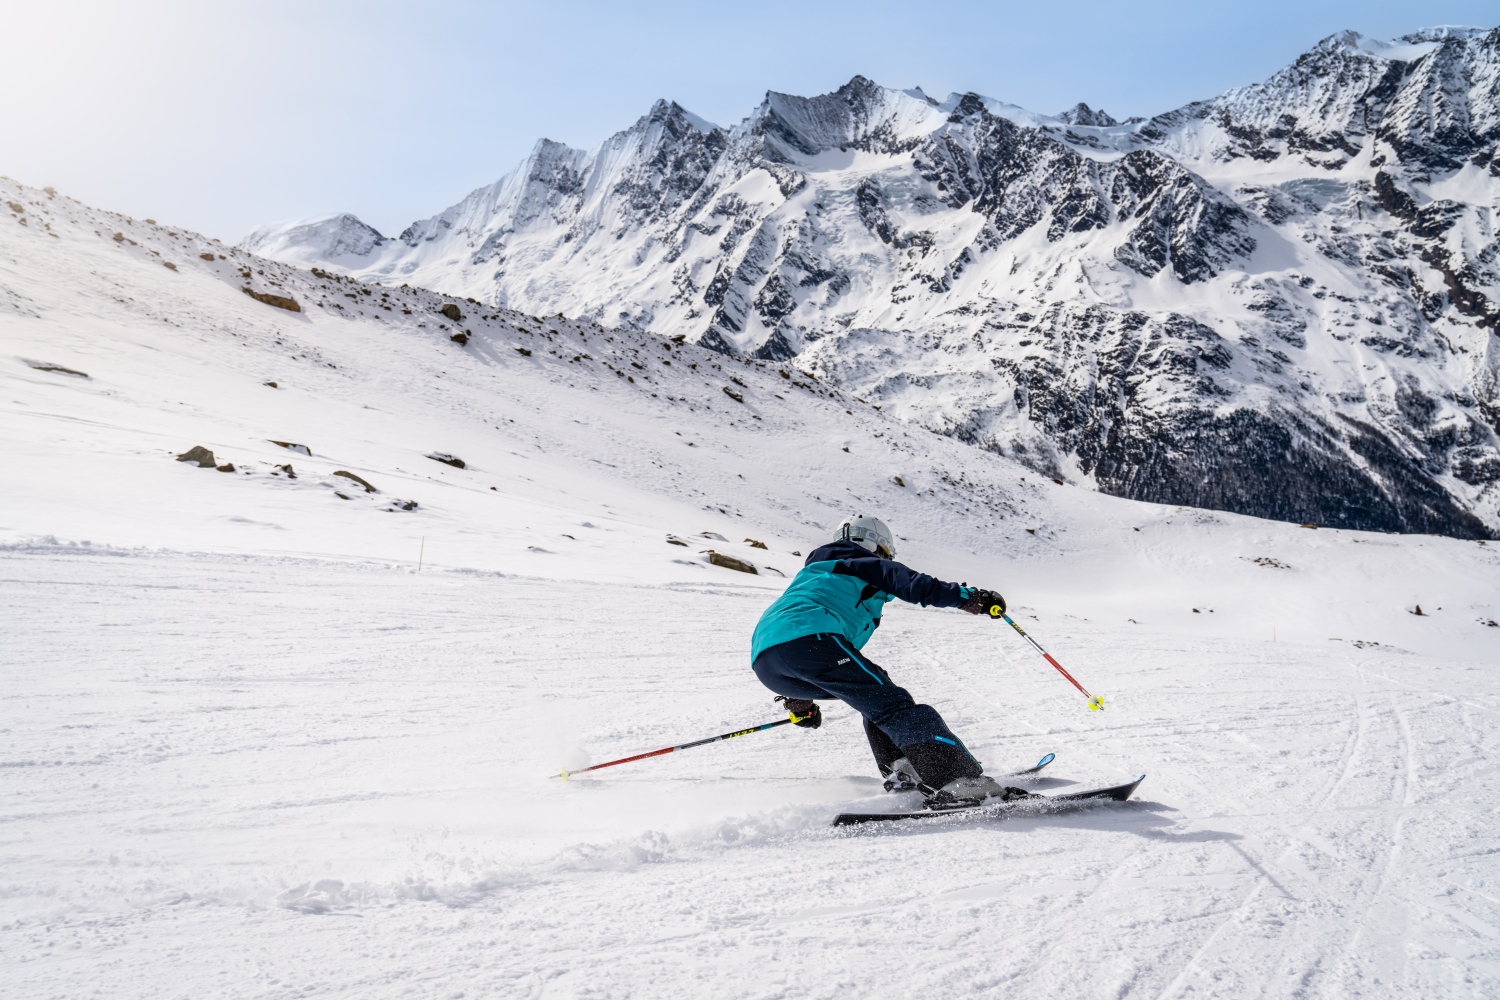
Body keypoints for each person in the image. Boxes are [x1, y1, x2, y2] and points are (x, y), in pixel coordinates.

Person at [750, 514, 1009, 804]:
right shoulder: (861, 562)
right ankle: (960, 780)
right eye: (887, 553)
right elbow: (917, 585)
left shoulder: (816, 574)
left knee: (877, 691)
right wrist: (970, 598)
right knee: (893, 705)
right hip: (812, 640)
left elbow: (788, 639)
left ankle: (907, 771)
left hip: (767, 662)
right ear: (878, 546)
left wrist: (799, 701)